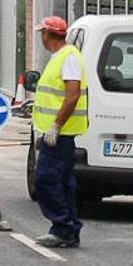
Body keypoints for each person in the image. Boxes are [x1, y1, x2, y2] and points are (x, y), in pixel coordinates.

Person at [32, 16, 88, 248]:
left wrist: (55, 126)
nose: (41, 37)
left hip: (59, 134)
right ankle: (69, 229)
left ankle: (62, 227)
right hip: (56, 133)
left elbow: (72, 94)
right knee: (64, 182)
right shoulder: (62, 57)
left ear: (47, 34)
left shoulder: (69, 58)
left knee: (45, 179)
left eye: (41, 32)